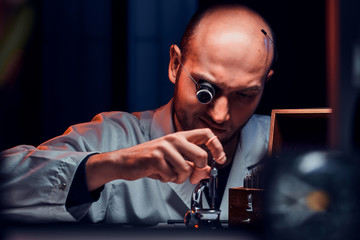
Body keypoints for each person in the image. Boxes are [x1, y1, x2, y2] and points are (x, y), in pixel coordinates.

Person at [0, 3, 275, 225]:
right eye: (206, 90)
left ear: (264, 84)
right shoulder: (111, 138)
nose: (219, 115)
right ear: (175, 64)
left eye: (244, 95)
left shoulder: (281, 143)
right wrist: (115, 165)